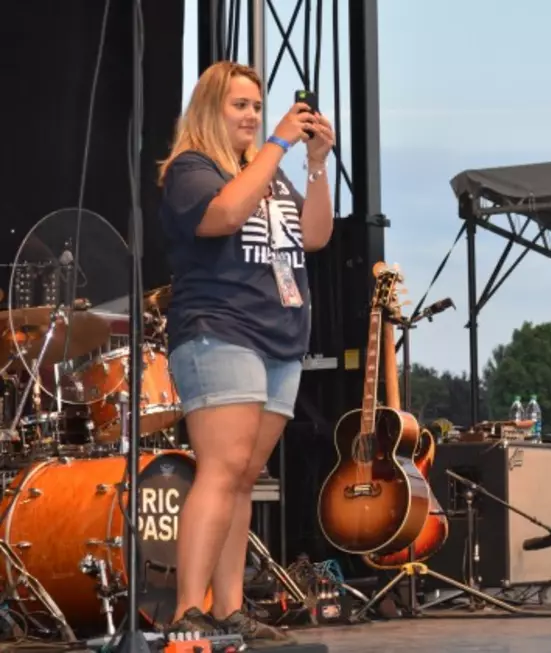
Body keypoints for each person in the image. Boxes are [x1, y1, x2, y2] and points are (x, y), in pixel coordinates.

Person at [157, 60, 335, 641]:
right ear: (211, 109)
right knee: (223, 466)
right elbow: (224, 215)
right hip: (220, 328)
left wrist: (313, 166)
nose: (253, 116)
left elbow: (314, 237)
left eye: (258, 107)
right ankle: (188, 608)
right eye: (241, 105)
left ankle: (230, 606)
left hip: (280, 340)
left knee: (246, 475)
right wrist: (281, 141)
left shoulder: (268, 171)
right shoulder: (193, 168)